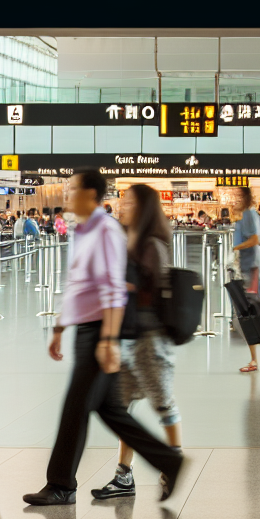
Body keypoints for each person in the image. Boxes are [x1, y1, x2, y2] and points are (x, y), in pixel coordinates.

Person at [27, 169, 184, 506]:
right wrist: (59, 328)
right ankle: (169, 460)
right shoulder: (81, 230)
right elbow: (77, 285)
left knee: (76, 408)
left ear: (91, 195)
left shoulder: (106, 231)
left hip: (100, 330)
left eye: (72, 189)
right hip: (87, 328)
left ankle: (60, 485)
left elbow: (114, 288)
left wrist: (109, 339)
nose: (66, 194)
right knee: (109, 409)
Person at [92, 184, 182, 501]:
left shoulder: (152, 244)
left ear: (143, 209)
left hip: (151, 339)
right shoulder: (132, 241)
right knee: (123, 407)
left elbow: (153, 290)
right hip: (132, 336)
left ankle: (173, 461)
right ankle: (124, 475)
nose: (122, 205)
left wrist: (121, 283)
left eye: (129, 201)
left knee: (163, 402)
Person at [232, 186, 260, 372]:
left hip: (252, 270)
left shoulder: (250, 215)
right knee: (245, 313)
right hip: (246, 268)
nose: (234, 200)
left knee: (253, 313)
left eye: (237, 196)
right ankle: (254, 359)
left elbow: (255, 240)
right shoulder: (244, 216)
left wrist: (235, 249)